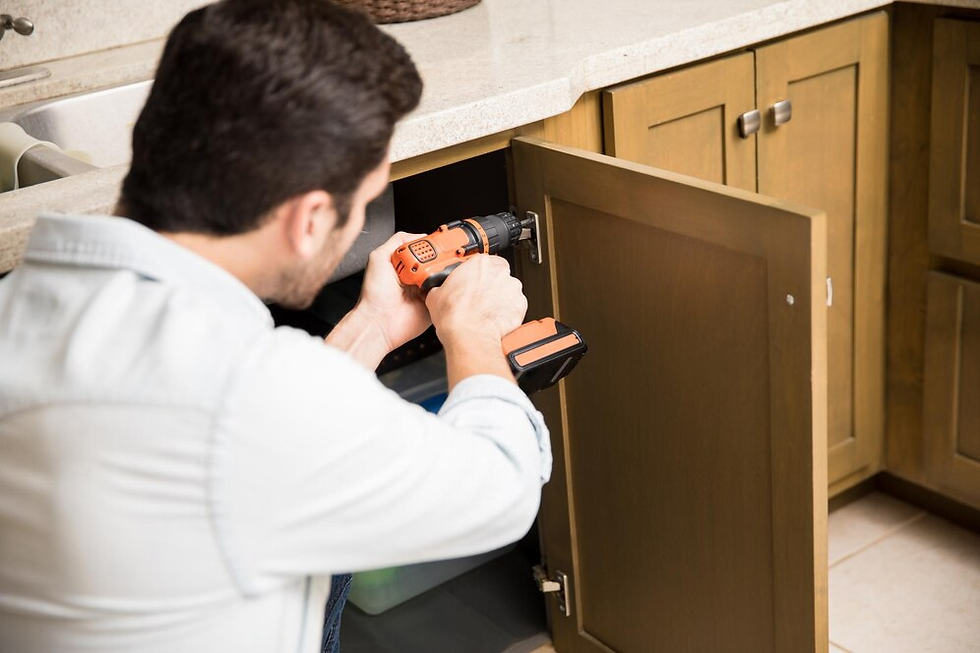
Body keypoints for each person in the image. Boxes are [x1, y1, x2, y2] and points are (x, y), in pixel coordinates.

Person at [0, 1, 552, 652]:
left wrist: (372, 325)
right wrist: (476, 335)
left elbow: (273, 432)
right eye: (364, 200)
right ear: (310, 218)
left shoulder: (26, 303)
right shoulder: (247, 393)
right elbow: (500, 486)